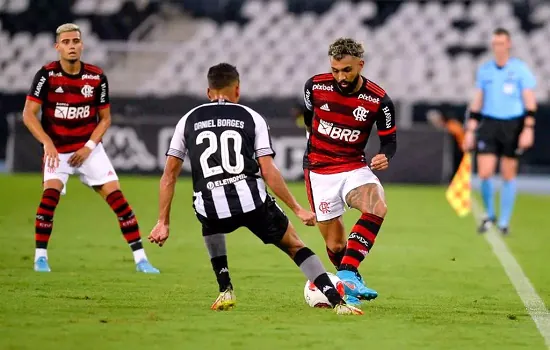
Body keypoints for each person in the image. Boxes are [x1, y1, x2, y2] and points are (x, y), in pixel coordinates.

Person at [148, 63, 362, 315]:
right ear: (237, 90)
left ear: (209, 92)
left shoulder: (188, 120)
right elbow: (268, 171)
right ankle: (338, 302)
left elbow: (169, 175)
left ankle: (225, 288)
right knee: (295, 246)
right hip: (252, 202)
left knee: (209, 219)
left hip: (210, 205)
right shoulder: (251, 117)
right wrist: (297, 208)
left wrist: (163, 221)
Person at [22, 23, 159, 273]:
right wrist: (47, 142)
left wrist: (89, 147)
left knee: (119, 202)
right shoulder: (47, 76)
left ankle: (141, 260)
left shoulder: (96, 77)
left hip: (88, 150)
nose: (71, 46)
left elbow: (105, 118)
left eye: (75, 41)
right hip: (57, 150)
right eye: (66, 42)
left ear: (82, 44)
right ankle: (40, 258)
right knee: (49, 199)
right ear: (57, 47)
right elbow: (29, 114)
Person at [302, 38, 397, 305]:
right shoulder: (314, 87)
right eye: (335, 70)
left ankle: (345, 274)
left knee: (377, 205)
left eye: (347, 70)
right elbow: (309, 121)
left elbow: (390, 141)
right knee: (335, 246)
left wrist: (384, 156)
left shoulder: (379, 100)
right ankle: (348, 282)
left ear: (360, 65)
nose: (340, 77)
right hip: (319, 170)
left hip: (354, 165)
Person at [462, 28, 537, 235]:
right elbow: (478, 101)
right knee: (485, 173)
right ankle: (489, 214)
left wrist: (528, 128)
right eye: (495, 43)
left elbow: (529, 99)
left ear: (509, 44)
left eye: (502, 43)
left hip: (513, 125)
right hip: (490, 123)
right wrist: (470, 129)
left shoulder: (519, 69)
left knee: (508, 174)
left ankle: (504, 221)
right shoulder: (486, 70)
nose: (498, 47)